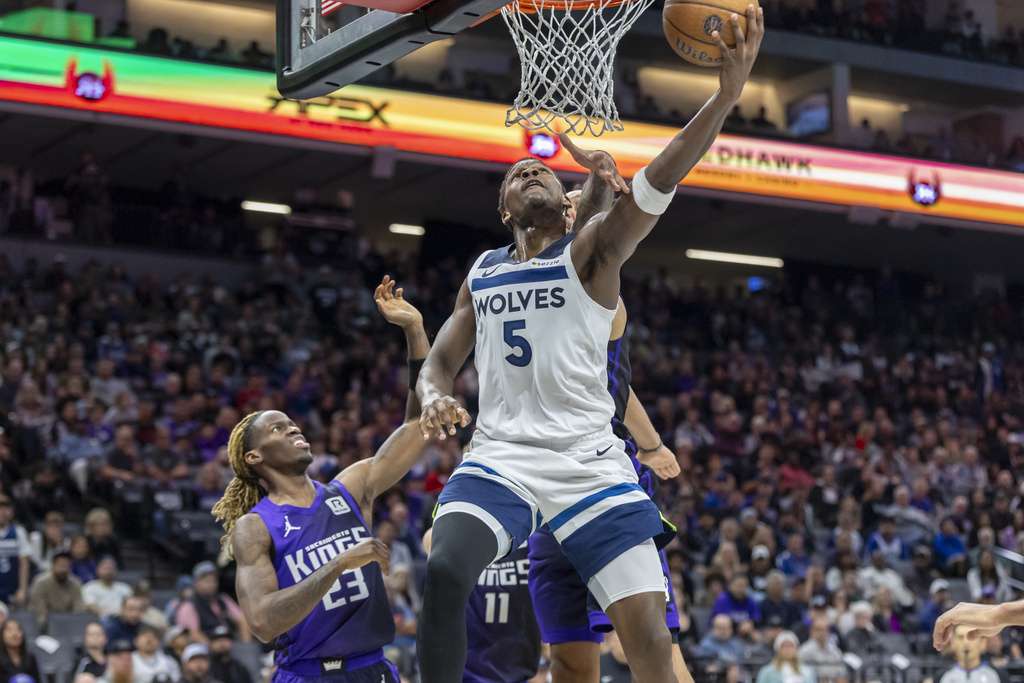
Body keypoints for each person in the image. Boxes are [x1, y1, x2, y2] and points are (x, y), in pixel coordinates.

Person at [415, 10, 763, 682]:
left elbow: (661, 181)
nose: (530, 173)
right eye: (516, 175)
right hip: (503, 455)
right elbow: (440, 360)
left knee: (650, 642)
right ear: (504, 211)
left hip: (591, 463)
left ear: (566, 199)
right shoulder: (483, 272)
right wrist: (432, 394)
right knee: (446, 565)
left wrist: (723, 97)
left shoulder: (592, 254)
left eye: (539, 171)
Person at [213, 276, 445, 683]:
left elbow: (416, 425)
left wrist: (414, 331)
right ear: (254, 457)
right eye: (277, 429)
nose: (293, 429)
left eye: (292, 423)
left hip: (374, 668)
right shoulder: (256, 526)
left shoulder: (351, 488)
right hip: (309, 675)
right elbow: (263, 623)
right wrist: (338, 565)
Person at [526, 156, 688, 683]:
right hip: (547, 487)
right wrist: (654, 444)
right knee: (569, 657)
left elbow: (616, 387)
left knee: (654, 650)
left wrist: (648, 444)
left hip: (602, 478)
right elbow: (613, 386)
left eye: (574, 206)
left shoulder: (598, 288)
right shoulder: (521, 287)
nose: (567, 211)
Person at [423, 527, 540, 683]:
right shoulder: (458, 531)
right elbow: (431, 539)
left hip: (523, 671)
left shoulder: (534, 535)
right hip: (466, 673)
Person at [174, 562, 250, 644]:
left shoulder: (223, 599)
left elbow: (242, 619)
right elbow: (193, 634)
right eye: (206, 581)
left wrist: (246, 645)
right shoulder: (188, 605)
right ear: (196, 583)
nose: (211, 584)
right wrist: (213, 647)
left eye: (214, 581)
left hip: (228, 645)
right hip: (203, 650)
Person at [0, 494, 31, 607]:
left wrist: (22, 589)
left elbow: (24, 564)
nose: (1, 512)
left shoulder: (19, 532)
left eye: (4, 508)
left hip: (11, 589)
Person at [798, 617, 846, 683]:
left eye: (825, 630)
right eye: (819, 630)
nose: (822, 633)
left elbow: (842, 675)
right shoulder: (804, 651)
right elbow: (801, 676)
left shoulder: (835, 651)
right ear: (812, 631)